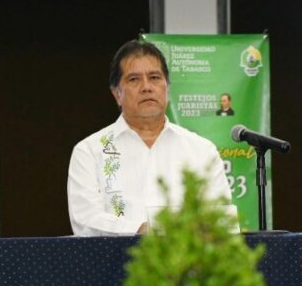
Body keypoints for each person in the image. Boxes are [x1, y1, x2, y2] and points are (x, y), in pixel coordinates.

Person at [67, 40, 233, 236]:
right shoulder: (90, 151)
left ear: (167, 88)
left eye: (154, 77)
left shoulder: (201, 150)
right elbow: (85, 219)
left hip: (188, 264)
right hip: (114, 263)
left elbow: (220, 218)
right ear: (116, 94)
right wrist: (139, 231)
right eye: (134, 79)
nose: (146, 87)